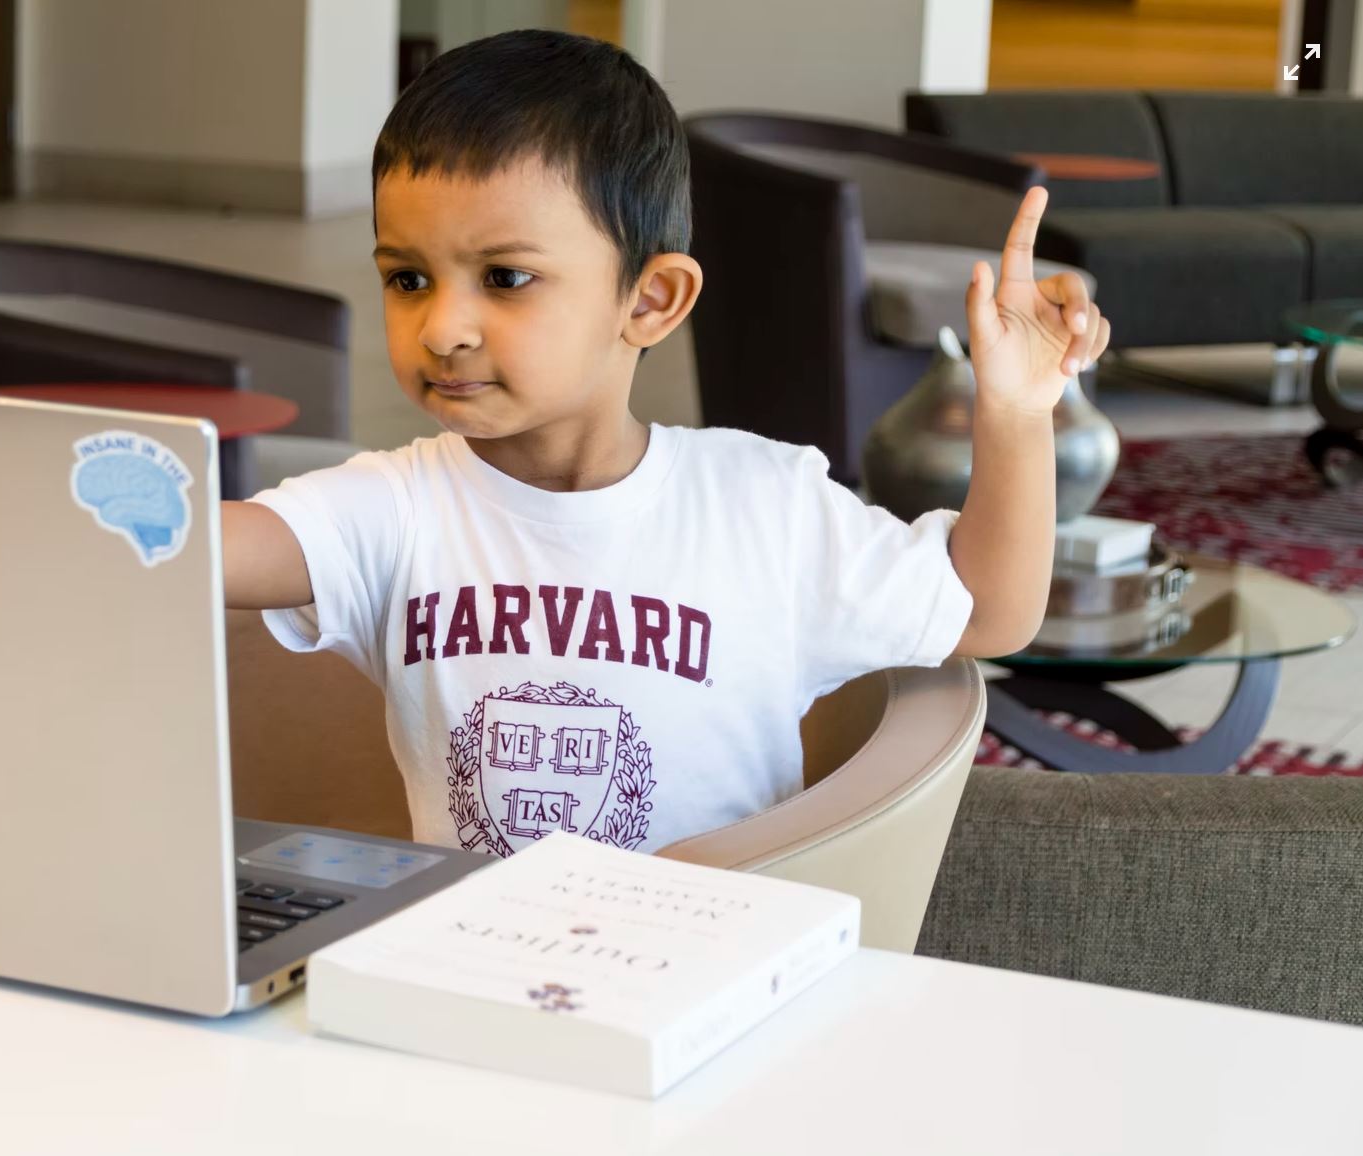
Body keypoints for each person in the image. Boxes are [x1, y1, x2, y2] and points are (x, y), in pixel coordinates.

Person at [220, 29, 1109, 859]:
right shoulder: (390, 509)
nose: (443, 326)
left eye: (505, 278)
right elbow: (199, 549)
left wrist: (1018, 414)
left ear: (649, 301)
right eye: (407, 278)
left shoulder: (764, 504)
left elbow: (989, 611)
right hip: (474, 982)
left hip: (712, 980)